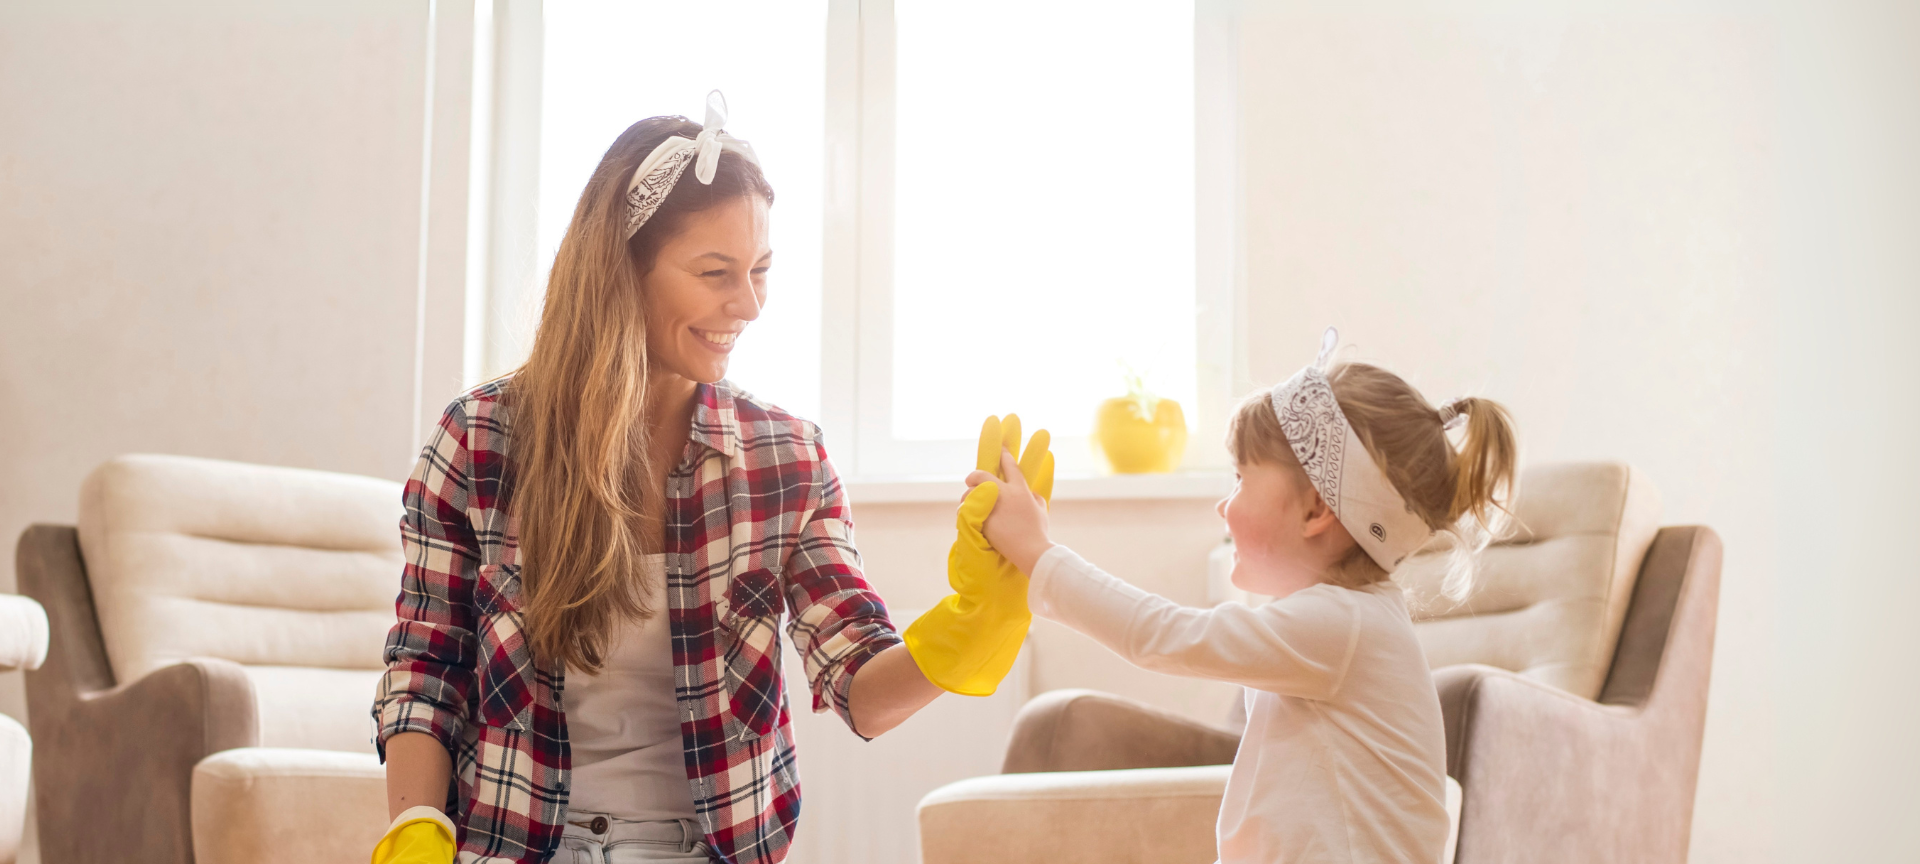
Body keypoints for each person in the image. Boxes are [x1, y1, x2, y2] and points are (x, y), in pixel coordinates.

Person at [368, 92, 1039, 864]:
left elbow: (858, 680)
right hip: (516, 849)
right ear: (622, 270)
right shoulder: (481, 441)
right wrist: (416, 827)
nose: (748, 304)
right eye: (715, 272)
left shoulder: (785, 460)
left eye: (761, 271)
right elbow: (426, 670)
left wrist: (967, 627)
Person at [965, 328, 1518, 864]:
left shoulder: (1344, 625)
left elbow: (1166, 637)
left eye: (1239, 479)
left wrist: (1037, 554)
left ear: (1316, 510)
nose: (1222, 506)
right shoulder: (1336, 626)